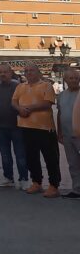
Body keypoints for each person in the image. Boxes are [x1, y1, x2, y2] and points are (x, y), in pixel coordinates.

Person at [13, 63, 60, 198]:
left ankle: (54, 185)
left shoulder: (46, 86)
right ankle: (36, 182)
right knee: (31, 157)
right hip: (26, 127)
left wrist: (27, 108)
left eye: (32, 70)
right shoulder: (20, 86)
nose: (29, 73)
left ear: (38, 72)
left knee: (50, 157)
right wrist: (19, 109)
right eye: (26, 71)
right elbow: (14, 101)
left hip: (44, 128)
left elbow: (48, 102)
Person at [0, 64, 28, 189]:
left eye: (5, 72)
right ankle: (8, 178)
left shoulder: (18, 86)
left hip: (17, 126)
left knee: (20, 154)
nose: (2, 74)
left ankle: (24, 178)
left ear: (11, 73)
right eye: (0, 72)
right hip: (0, 127)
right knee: (5, 154)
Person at [57, 68, 80, 199]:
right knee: (73, 163)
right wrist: (59, 133)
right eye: (71, 78)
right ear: (65, 80)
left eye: (76, 78)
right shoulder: (61, 95)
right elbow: (60, 114)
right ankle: (77, 189)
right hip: (67, 135)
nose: (74, 80)